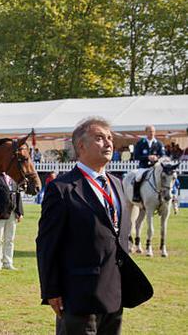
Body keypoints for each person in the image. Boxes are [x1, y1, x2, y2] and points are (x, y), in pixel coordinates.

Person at [37, 117, 152, 335]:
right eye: (99, 138)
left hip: (114, 294)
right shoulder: (62, 189)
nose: (108, 143)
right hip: (78, 296)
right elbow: (47, 244)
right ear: (81, 146)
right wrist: (51, 290)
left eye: (109, 138)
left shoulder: (117, 184)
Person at [0, 172, 23, 270]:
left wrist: (20, 212)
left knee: (10, 239)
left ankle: (8, 262)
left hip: (12, 212)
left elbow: (18, 196)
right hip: (0, 213)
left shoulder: (14, 178)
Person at [132, 125, 166, 202]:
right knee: (138, 177)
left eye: (153, 131)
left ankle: (169, 196)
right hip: (144, 167)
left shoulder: (159, 143)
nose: (152, 133)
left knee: (167, 177)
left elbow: (163, 155)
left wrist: (157, 158)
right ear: (146, 132)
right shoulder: (140, 143)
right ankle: (136, 195)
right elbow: (136, 156)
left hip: (156, 167)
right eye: (150, 131)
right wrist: (147, 157)